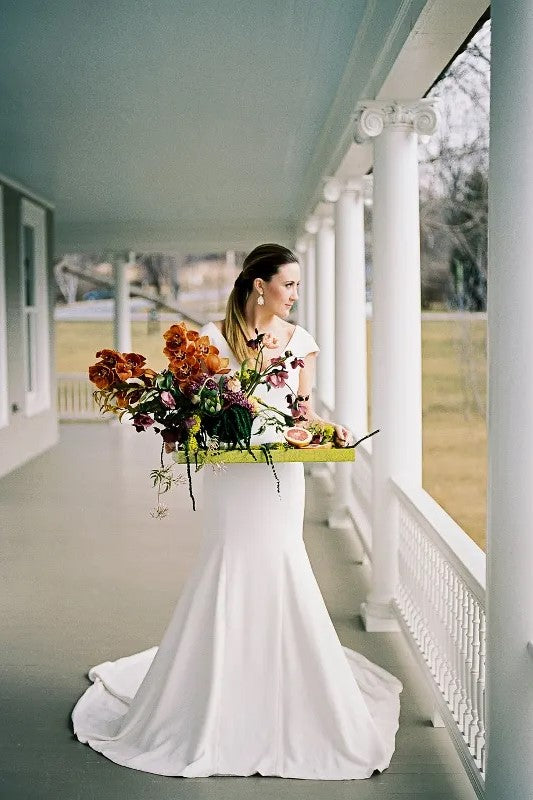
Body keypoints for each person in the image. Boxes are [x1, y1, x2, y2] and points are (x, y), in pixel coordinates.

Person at [71, 243, 402, 779]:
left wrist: (326, 430)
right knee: (226, 561)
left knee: (282, 562)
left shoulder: (302, 343)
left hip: (279, 478)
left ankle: (289, 690)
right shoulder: (212, 339)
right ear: (259, 286)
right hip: (230, 477)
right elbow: (195, 405)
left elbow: (299, 411)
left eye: (297, 285)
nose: (295, 294)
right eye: (288, 284)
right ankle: (212, 698)